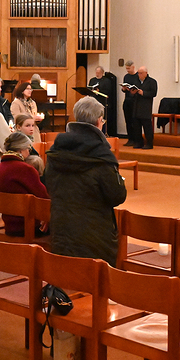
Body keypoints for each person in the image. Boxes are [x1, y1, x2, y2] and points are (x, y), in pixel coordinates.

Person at [45, 96, 127, 267]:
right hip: (94, 234)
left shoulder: (57, 149)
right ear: (99, 121)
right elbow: (116, 195)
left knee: (66, 272)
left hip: (61, 228)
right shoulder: (101, 155)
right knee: (95, 277)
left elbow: (48, 182)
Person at [0, 132, 49, 237]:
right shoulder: (25, 169)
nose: (29, 152)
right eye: (28, 148)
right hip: (28, 226)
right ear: (21, 150)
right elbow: (43, 197)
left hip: (9, 225)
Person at [127, 65, 157, 149]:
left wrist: (143, 93)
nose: (139, 75)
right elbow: (131, 94)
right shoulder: (136, 81)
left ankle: (149, 143)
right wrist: (132, 93)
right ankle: (139, 142)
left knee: (147, 127)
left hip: (145, 107)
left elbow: (153, 93)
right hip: (136, 106)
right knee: (136, 126)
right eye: (138, 73)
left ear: (146, 73)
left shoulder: (152, 82)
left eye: (141, 73)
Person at [88, 65, 118, 134]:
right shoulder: (92, 80)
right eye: (96, 72)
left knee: (102, 118)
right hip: (93, 101)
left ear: (102, 72)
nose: (97, 74)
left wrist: (99, 91)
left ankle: (103, 132)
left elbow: (108, 91)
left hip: (102, 102)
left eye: (99, 73)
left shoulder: (106, 81)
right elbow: (89, 88)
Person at [120, 61, 139, 145]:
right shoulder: (126, 76)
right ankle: (130, 139)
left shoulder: (138, 76)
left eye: (129, 68)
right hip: (127, 100)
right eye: (126, 68)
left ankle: (136, 139)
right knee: (128, 121)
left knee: (135, 121)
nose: (127, 70)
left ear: (133, 67)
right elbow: (124, 89)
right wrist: (124, 89)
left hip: (135, 101)